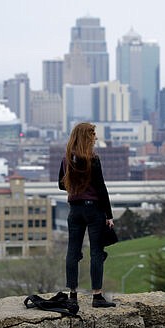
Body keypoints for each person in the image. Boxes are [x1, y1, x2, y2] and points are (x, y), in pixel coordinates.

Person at [58, 122, 116, 308]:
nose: (95, 138)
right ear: (86, 137)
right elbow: (101, 189)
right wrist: (109, 215)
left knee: (72, 252)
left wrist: (75, 183)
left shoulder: (66, 158)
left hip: (74, 210)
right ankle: (97, 296)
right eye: (93, 135)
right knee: (96, 252)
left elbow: (61, 184)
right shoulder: (93, 159)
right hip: (93, 210)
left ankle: (72, 296)